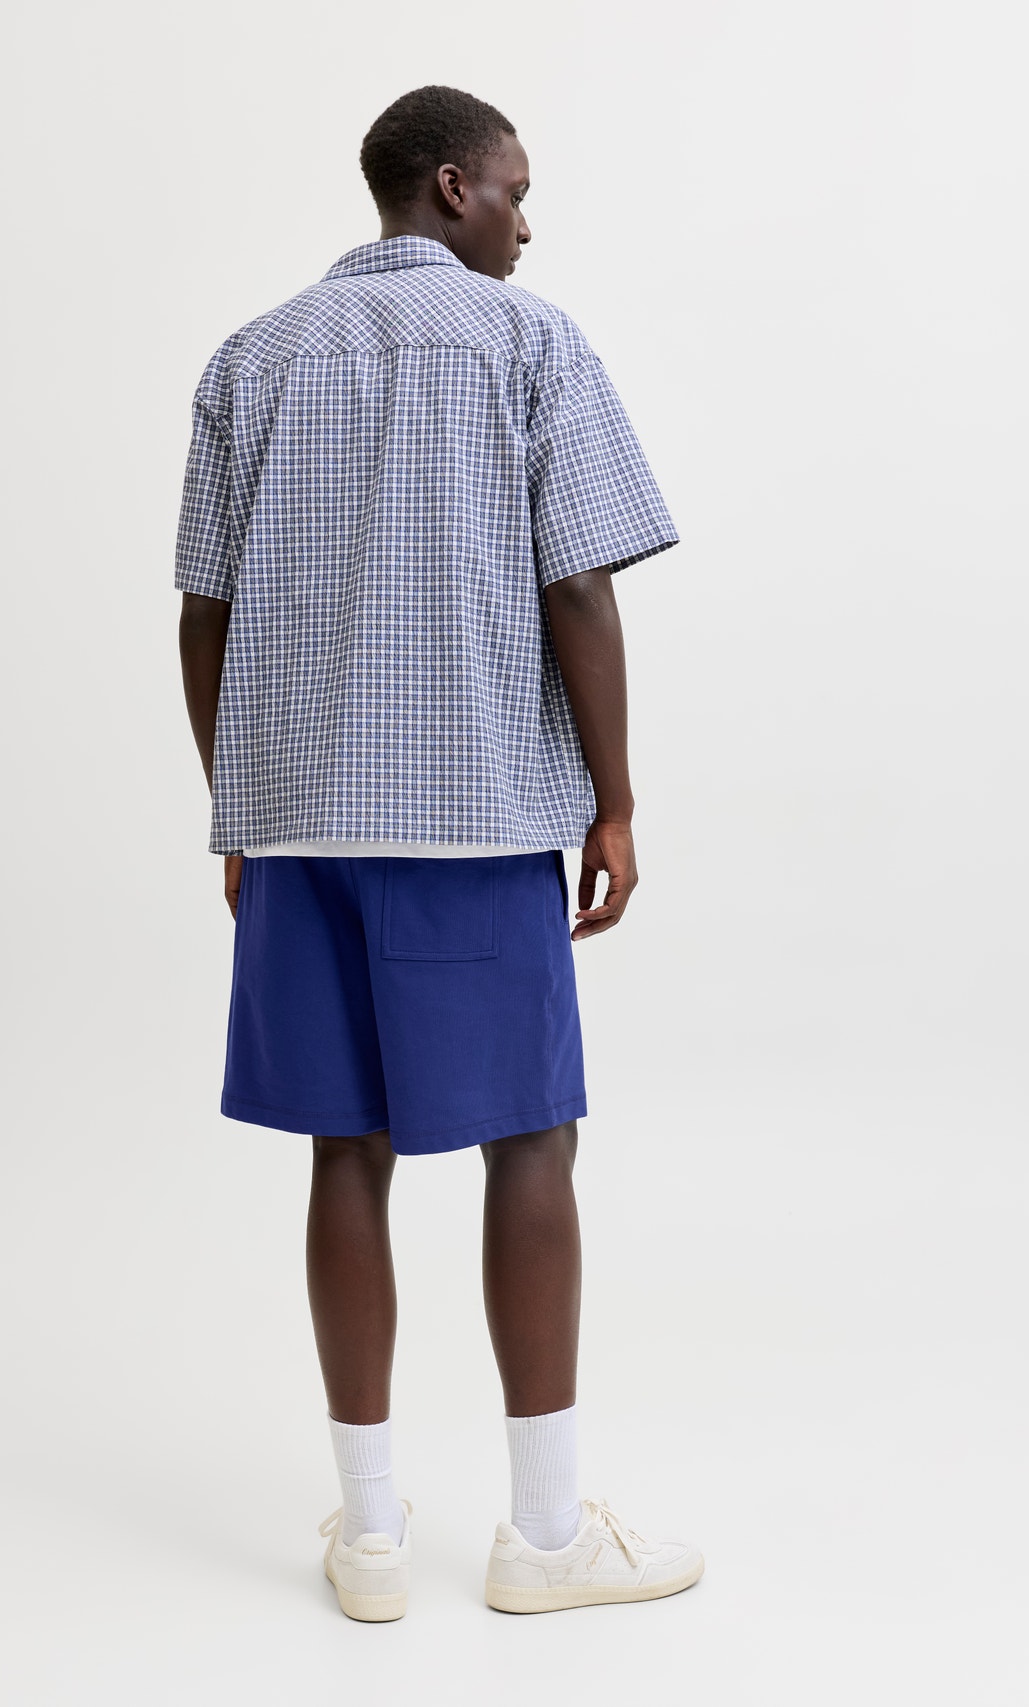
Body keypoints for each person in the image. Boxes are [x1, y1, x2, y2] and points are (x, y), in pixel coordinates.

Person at [174, 83, 704, 1621]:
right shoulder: (528, 343)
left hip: (302, 827)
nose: (530, 224)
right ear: (454, 188)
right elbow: (580, 586)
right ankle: (544, 1535)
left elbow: (203, 614)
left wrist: (241, 811)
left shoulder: (251, 357)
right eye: (518, 192)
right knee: (531, 1140)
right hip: (474, 816)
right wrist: (614, 801)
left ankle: (370, 1538)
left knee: (349, 1151)